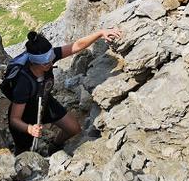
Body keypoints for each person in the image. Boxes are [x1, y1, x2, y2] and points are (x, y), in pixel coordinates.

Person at [8, 27, 122, 155]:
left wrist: (101, 33)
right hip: (25, 114)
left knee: (73, 128)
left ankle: (54, 147)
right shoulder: (23, 83)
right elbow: (14, 119)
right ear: (34, 62)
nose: (50, 64)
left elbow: (77, 45)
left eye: (51, 59)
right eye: (46, 63)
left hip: (44, 102)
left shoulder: (48, 60)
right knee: (23, 152)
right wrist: (29, 128)